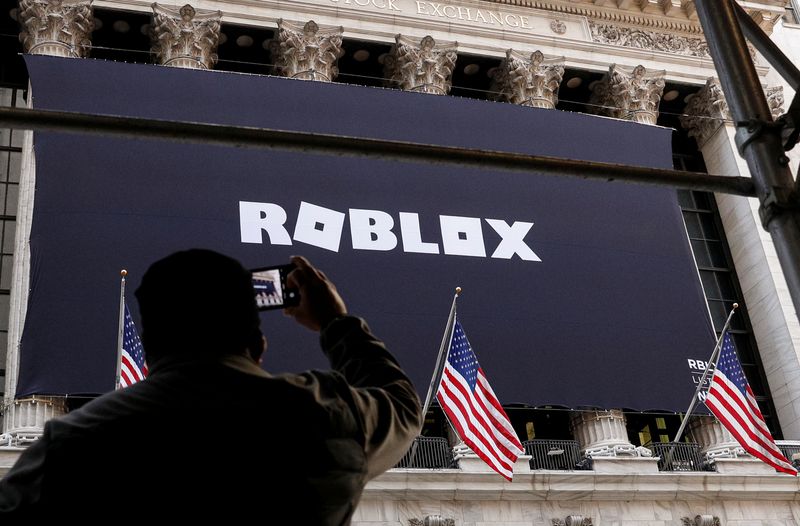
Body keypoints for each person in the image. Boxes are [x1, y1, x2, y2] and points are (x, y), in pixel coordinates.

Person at [0, 250, 422, 522]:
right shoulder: (325, 417)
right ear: (258, 343)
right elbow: (403, 406)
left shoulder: (70, 445)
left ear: (149, 349)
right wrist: (335, 321)